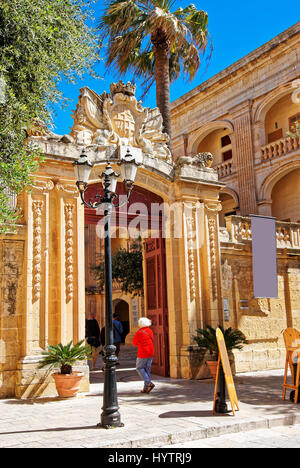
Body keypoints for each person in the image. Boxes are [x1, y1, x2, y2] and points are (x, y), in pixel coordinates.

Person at [132, 317, 155, 394]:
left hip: (143, 352)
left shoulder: (139, 332)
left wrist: (140, 343)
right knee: (147, 369)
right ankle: (146, 388)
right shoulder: (150, 331)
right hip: (150, 351)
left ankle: (148, 383)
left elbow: (134, 343)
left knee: (139, 368)